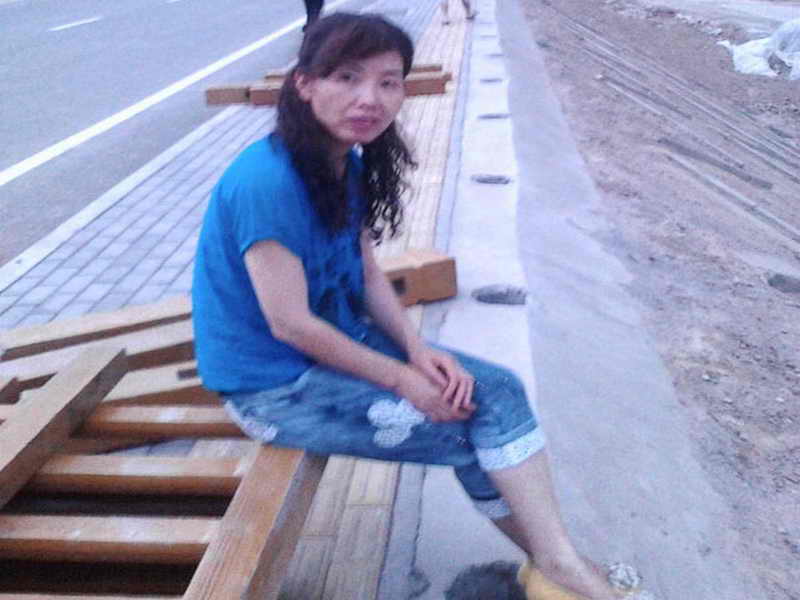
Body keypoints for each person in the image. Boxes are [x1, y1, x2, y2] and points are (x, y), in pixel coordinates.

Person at [192, 12, 627, 600]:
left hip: (336, 345)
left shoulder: (344, 160)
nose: (369, 99)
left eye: (387, 82)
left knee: (494, 390)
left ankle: (555, 561)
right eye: (346, 77)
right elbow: (289, 324)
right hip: (272, 388)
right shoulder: (265, 183)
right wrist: (401, 378)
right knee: (466, 429)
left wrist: (417, 349)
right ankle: (562, 567)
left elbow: (368, 272)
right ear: (305, 84)